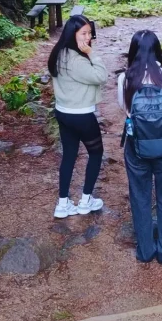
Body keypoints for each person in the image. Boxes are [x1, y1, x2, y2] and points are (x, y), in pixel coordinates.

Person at [118, 30, 162, 264]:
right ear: (158, 50)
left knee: (140, 197)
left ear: (133, 51)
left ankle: (145, 251)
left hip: (136, 146)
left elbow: (125, 109)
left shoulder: (126, 78)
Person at [48, 14, 108, 218]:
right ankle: (85, 200)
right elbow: (101, 76)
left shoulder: (59, 53)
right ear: (71, 34)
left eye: (90, 33)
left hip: (63, 112)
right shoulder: (76, 60)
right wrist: (92, 53)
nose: (88, 38)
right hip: (81, 115)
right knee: (96, 153)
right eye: (83, 33)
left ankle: (63, 204)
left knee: (69, 155)